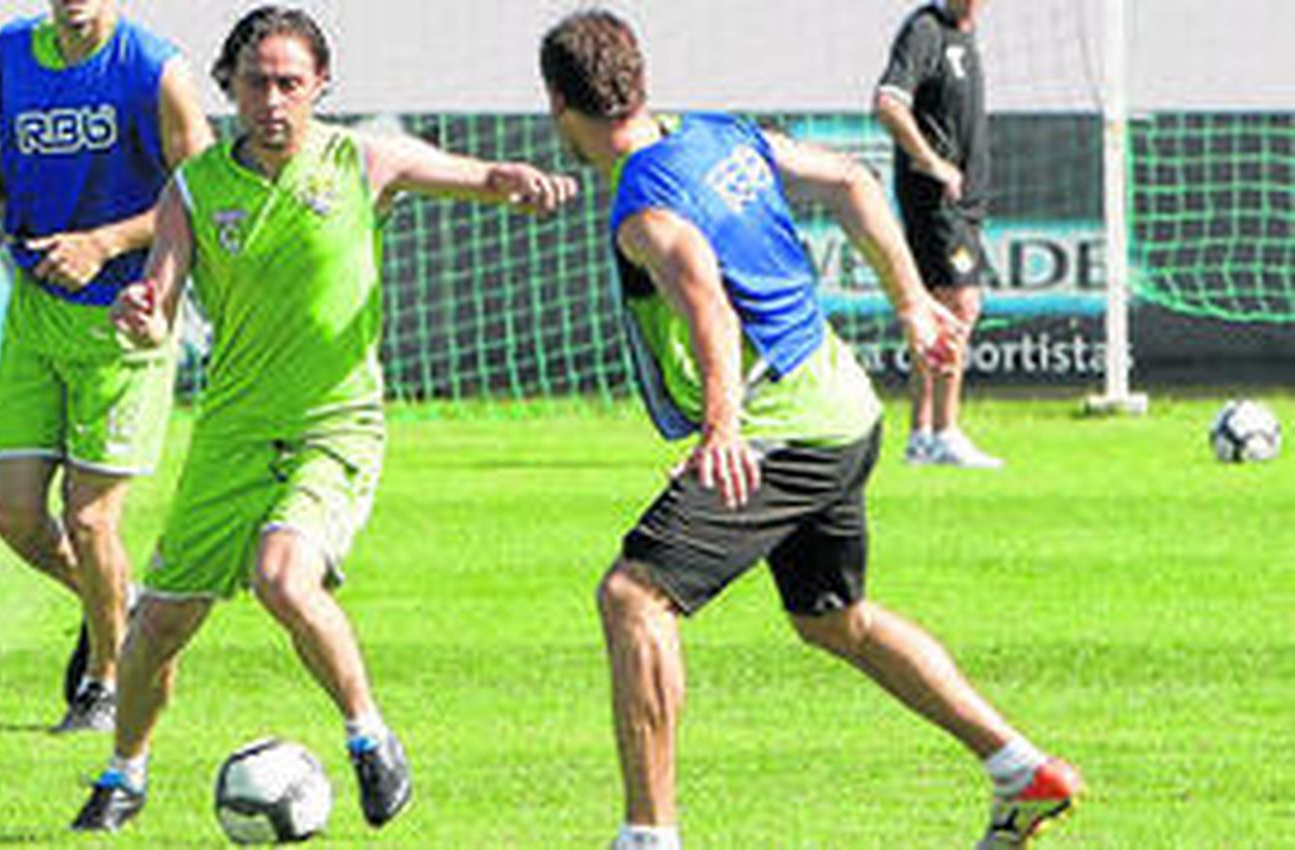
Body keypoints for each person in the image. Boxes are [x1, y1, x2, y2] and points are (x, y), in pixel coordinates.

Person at [539, 11, 1080, 850]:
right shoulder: (720, 133)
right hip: (845, 408)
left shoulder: (644, 203)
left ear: (556, 104)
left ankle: (648, 838)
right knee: (835, 619)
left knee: (634, 595)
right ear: (639, 80)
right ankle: (1020, 770)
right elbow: (855, 183)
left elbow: (703, 297)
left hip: (781, 427)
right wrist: (909, 302)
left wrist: (720, 424)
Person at [70, 5, 577, 833]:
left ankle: (370, 739)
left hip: (333, 428)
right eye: (258, 82)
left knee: (282, 577)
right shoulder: (194, 188)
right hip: (232, 434)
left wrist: (510, 183)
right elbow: (161, 302)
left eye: (290, 83)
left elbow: (473, 176)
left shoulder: (360, 159)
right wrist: (143, 312)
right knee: (157, 624)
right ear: (228, 85)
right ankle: (124, 774)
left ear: (320, 87)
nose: (273, 99)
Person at [0, 0, 214, 733]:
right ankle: (118, 608)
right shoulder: (12, 52)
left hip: (122, 320)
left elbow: (209, 188)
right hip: (33, 315)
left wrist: (104, 242)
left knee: (91, 522)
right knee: (15, 515)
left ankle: (103, 680)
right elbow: (15, 152)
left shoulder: (156, 69)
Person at [875, 0, 1003, 468]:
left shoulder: (964, 34)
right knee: (962, 305)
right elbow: (888, 102)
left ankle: (922, 436)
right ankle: (945, 432)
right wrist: (930, 162)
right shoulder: (925, 29)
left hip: (963, 203)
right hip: (937, 201)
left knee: (937, 311)